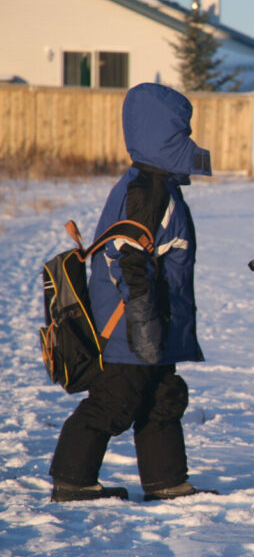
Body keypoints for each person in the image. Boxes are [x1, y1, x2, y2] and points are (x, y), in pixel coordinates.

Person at [49, 83, 214, 502]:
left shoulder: (151, 182)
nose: (189, 137)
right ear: (164, 133)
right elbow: (131, 259)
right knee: (115, 399)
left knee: (162, 396)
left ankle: (166, 481)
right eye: (182, 129)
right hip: (133, 322)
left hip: (153, 320)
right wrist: (144, 326)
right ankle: (73, 479)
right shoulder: (148, 191)